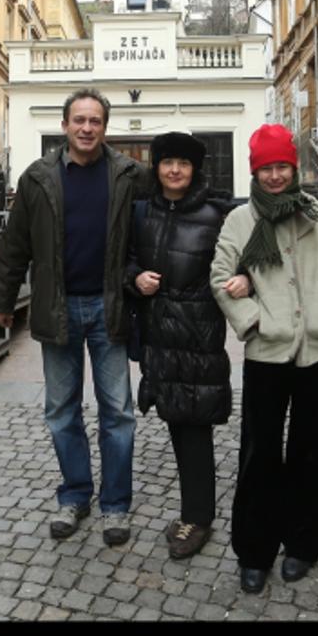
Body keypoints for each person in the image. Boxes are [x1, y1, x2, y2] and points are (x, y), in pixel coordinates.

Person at [0, 87, 147, 546]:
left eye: (95, 121)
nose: (86, 128)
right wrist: (2, 300)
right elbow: (15, 243)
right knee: (61, 411)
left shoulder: (128, 174)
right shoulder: (38, 178)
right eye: (78, 120)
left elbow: (169, 202)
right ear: (64, 126)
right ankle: (75, 494)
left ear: (105, 127)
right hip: (57, 308)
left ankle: (115, 505)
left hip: (108, 305)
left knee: (118, 412)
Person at [211, 123, 318, 593]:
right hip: (268, 353)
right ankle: (254, 550)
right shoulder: (241, 221)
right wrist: (254, 321)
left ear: (294, 168)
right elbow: (220, 277)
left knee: (314, 452)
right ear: (255, 172)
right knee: (260, 453)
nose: (275, 176)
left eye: (282, 167)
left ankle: (303, 543)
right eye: (266, 169)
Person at [126, 132, 234, 560]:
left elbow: (243, 259)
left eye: (183, 164)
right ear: (156, 167)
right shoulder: (142, 211)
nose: (174, 170)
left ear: (195, 170)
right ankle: (195, 512)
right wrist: (135, 277)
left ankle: (199, 518)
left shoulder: (217, 212)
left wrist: (241, 279)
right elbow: (126, 258)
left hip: (197, 335)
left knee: (195, 426)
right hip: (159, 335)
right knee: (176, 419)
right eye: (167, 162)